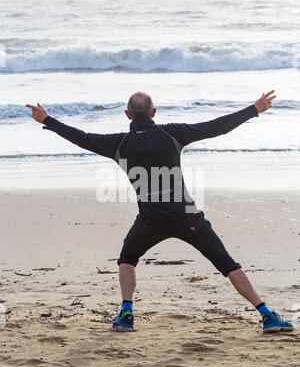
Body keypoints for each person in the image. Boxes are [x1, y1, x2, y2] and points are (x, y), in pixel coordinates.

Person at [26, 90, 293, 334]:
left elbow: (81, 138)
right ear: (154, 113)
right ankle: (267, 315)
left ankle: (127, 314)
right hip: (187, 217)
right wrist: (253, 109)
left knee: (128, 258)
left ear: (127, 115)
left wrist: (47, 120)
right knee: (227, 264)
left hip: (150, 221)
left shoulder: (118, 143)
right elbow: (215, 128)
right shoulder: (172, 133)